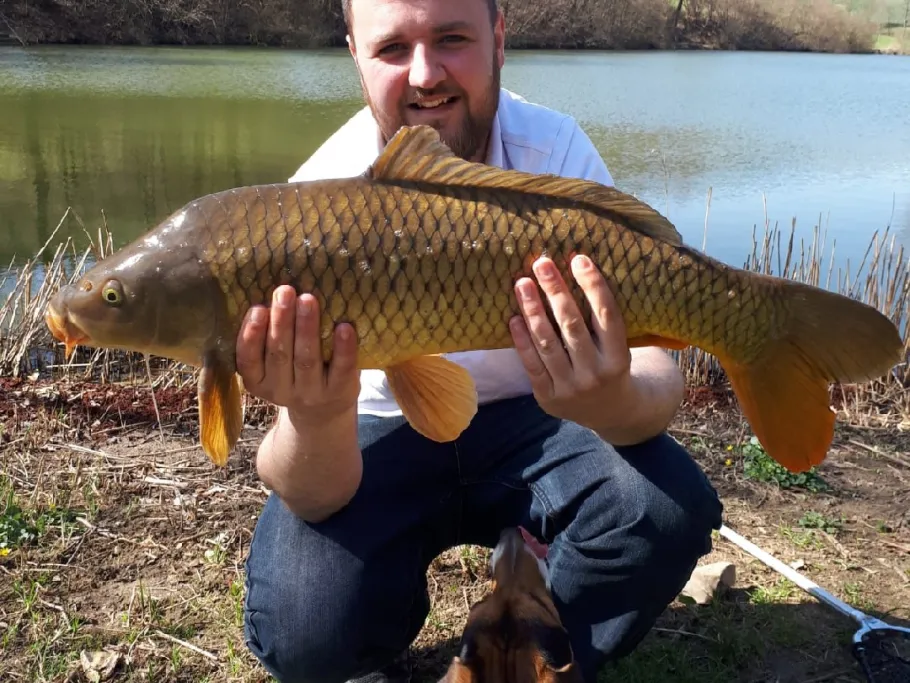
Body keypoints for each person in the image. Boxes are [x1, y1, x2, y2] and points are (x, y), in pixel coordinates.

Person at [238, 0, 724, 681]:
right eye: (391, 50)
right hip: (376, 433)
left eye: (452, 38)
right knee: (302, 625)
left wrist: (610, 393)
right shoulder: (315, 200)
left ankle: (543, 644)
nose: (424, 74)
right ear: (352, 51)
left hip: (539, 426)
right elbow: (312, 491)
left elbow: (658, 381)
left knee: (664, 508)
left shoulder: (551, 155)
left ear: (499, 37)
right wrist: (316, 413)